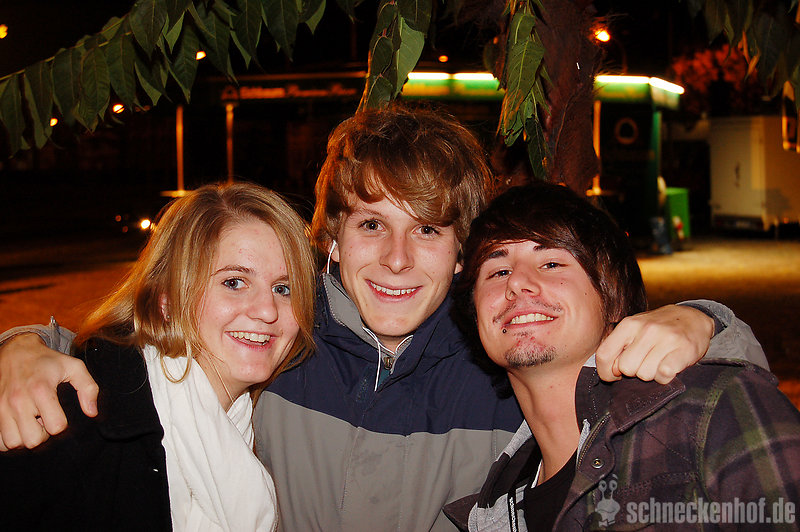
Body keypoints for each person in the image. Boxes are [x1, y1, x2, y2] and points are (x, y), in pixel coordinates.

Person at [0, 106, 767, 531]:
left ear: (461, 254)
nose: (398, 259)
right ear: (331, 240)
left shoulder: (501, 363)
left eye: (427, 229)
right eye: (372, 224)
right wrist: (20, 344)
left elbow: (632, 364)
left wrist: (703, 319)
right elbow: (126, 355)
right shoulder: (279, 338)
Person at [445, 183, 799, 531]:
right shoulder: (496, 508)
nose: (516, 282)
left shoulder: (710, 411)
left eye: (551, 263)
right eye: (498, 272)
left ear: (613, 297)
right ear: (476, 315)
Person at [0, 182, 317, 530]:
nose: (267, 310)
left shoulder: (273, 424)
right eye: (234, 282)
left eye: (283, 288)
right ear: (167, 301)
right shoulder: (77, 422)